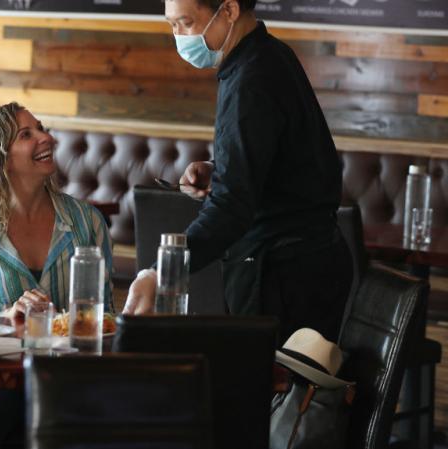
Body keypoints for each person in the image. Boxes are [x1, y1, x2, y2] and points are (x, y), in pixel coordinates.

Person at [124, 0, 352, 344]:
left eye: (185, 22)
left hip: (283, 273)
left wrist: (161, 272)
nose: (178, 36)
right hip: (308, 263)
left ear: (228, 10)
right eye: (171, 25)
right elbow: (280, 160)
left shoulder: (252, 78)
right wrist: (221, 172)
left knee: (262, 378)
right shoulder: (270, 54)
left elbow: (231, 207)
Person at [0, 102, 114, 449]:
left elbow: (106, 316)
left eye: (42, 128)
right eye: (26, 134)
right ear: (1, 159)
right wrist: (6, 319)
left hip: (67, 376)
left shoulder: (88, 222)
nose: (45, 137)